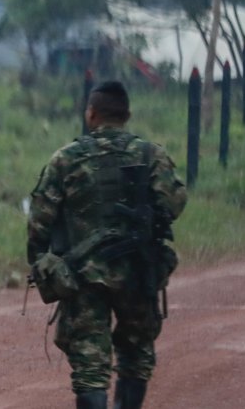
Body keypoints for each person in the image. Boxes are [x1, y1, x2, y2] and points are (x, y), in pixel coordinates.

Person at [27, 81, 187, 409]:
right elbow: (173, 205)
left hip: (83, 276)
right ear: (127, 115)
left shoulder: (66, 158)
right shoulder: (151, 155)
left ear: (91, 114)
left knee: (90, 366)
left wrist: (41, 261)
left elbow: (40, 220)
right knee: (136, 354)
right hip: (138, 273)